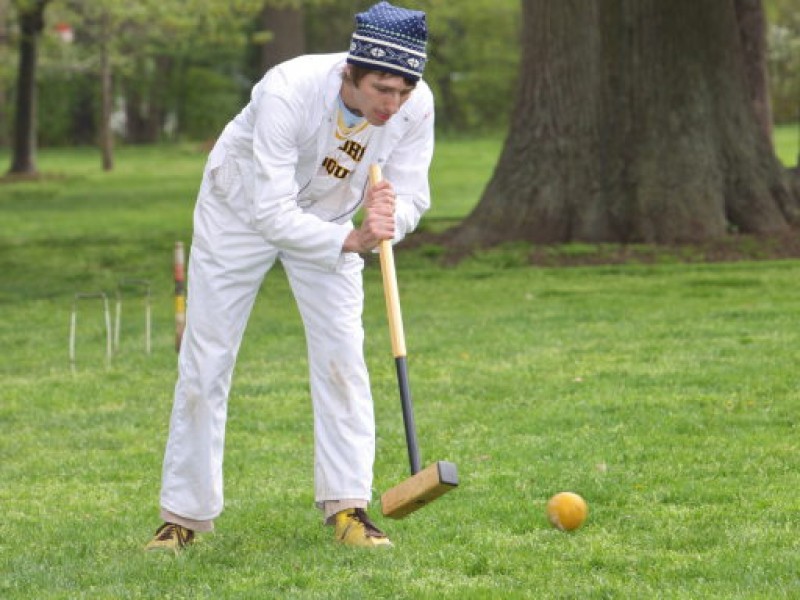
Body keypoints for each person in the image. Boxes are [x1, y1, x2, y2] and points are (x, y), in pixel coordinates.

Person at [145, 1, 433, 553]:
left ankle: (349, 507)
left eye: (404, 91)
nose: (393, 105)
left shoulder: (417, 108)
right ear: (351, 72)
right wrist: (350, 240)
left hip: (330, 213)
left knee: (344, 355)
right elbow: (272, 212)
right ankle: (182, 515)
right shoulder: (288, 89)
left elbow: (413, 190)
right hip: (240, 208)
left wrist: (387, 220)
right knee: (207, 358)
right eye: (382, 90)